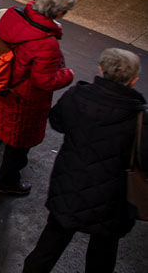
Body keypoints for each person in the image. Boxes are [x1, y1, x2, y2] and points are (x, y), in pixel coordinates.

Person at [22, 48, 147, 273]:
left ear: (101, 69)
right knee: (103, 254)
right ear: (134, 80)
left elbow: (58, 122)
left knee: (49, 247)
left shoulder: (77, 96)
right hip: (112, 200)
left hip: (70, 186)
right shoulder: (139, 117)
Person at [0, 0, 76, 197]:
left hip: (3, 84)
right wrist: (67, 75)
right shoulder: (46, 44)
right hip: (25, 100)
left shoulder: (14, 14)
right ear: (58, 12)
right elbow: (44, 80)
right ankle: (7, 181)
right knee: (18, 143)